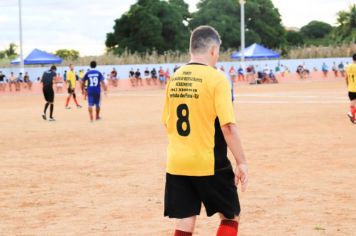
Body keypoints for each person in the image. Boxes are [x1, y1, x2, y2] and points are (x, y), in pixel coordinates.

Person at [162, 25, 248, 236]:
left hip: (177, 162)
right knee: (230, 215)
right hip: (209, 162)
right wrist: (242, 161)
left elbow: (167, 122)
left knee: (184, 222)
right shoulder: (216, 77)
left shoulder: (175, 77)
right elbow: (227, 126)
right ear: (212, 50)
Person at [346, 54, 356, 124]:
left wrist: (348, 85)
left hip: (350, 88)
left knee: (352, 104)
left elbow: (346, 77)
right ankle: (351, 112)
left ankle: (353, 118)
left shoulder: (348, 66)